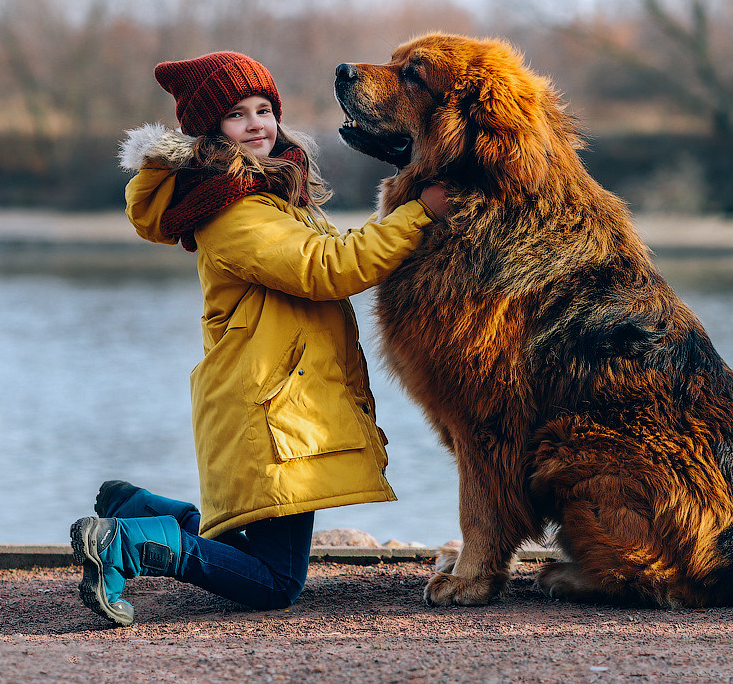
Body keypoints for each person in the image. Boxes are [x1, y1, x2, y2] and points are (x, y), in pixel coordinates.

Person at [69, 51, 452, 627]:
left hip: (277, 395)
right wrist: (417, 214)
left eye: (264, 109)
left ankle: (138, 511)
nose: (256, 125)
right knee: (274, 581)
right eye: (236, 114)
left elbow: (322, 254)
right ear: (207, 133)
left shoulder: (266, 195)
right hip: (272, 408)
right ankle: (128, 541)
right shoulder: (235, 213)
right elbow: (328, 267)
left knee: (263, 556)